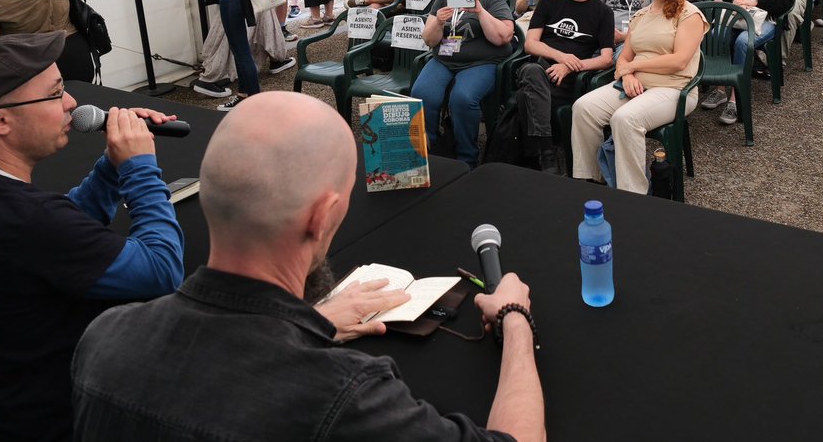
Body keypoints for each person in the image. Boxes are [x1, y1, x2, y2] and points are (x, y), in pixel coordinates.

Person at [71, 92, 543, 440]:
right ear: (323, 215)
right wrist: (513, 318)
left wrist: (311, 324)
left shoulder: (104, 339)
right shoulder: (344, 396)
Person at [0, 32, 183, 441]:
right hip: (47, 419)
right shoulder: (26, 220)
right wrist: (141, 168)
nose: (72, 104)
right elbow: (161, 271)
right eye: (55, 93)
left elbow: (59, 236)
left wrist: (112, 166)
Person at [571, 0, 709, 194]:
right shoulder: (641, 16)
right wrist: (627, 75)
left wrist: (633, 68)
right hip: (635, 85)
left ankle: (633, 193)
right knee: (584, 107)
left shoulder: (689, 14)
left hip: (674, 88)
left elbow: (680, 61)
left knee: (625, 119)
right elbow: (624, 58)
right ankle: (593, 180)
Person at [412, 0, 516, 168]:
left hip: (481, 62)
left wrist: (479, 11)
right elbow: (429, 40)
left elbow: (504, 37)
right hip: (444, 59)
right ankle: (430, 150)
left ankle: (467, 157)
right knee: (422, 93)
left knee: (462, 98)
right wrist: (439, 23)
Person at [518, 0, 615, 174]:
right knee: (532, 70)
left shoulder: (603, 12)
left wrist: (569, 66)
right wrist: (562, 57)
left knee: (526, 91)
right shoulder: (550, 0)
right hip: (541, 69)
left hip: (571, 81)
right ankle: (547, 152)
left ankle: (534, 151)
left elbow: (606, 58)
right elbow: (530, 44)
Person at [701, 0, 798, 124]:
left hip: (767, 20)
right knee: (717, 34)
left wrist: (755, 1)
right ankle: (720, 88)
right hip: (740, 18)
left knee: (743, 42)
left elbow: (786, 3)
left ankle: (736, 98)